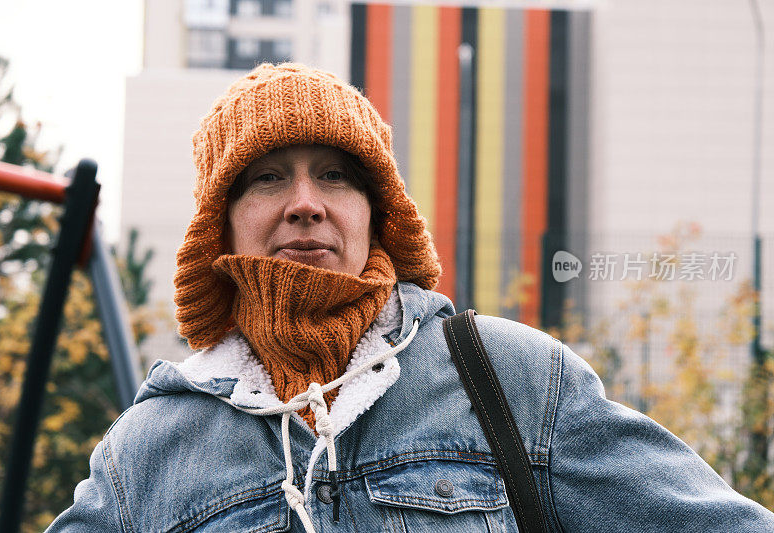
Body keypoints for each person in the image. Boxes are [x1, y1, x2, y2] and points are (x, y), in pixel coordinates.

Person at [48, 63, 774, 532]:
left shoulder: (506, 378)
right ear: (221, 220)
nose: (305, 202)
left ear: (377, 210)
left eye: (334, 174)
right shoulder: (149, 452)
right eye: (268, 177)